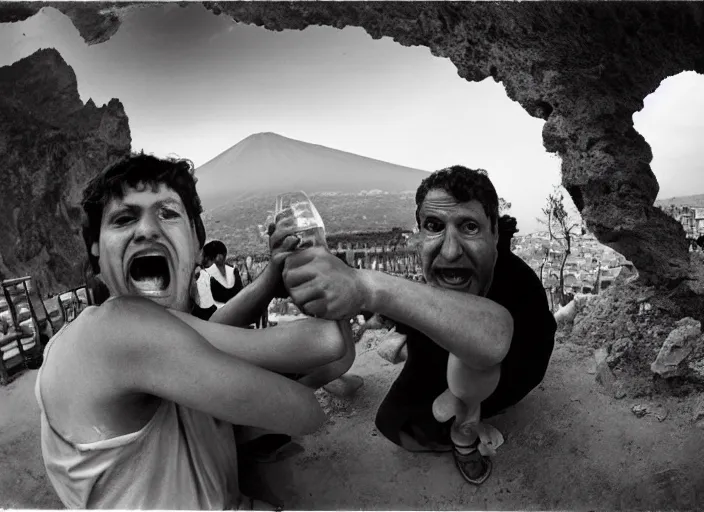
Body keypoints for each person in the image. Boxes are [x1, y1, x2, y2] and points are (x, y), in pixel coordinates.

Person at [34, 153, 353, 509]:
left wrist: (269, 280)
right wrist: (326, 272)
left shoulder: (91, 336)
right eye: (124, 219)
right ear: (95, 247)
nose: (147, 230)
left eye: (167, 213)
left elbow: (199, 337)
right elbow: (310, 397)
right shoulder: (116, 330)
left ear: (196, 241)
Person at [274, 165, 556, 485]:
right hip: (451, 364)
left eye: (470, 227)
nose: (450, 250)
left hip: (511, 375)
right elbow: (427, 307)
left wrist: (368, 288)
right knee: (396, 418)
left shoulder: (515, 285)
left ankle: (463, 441)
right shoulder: (465, 272)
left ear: (494, 233)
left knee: (407, 424)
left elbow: (494, 337)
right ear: (419, 232)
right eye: (434, 226)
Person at [202, 240, 244, 307]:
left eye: (206, 260)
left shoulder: (210, 280)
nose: (203, 265)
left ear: (219, 258)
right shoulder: (234, 272)